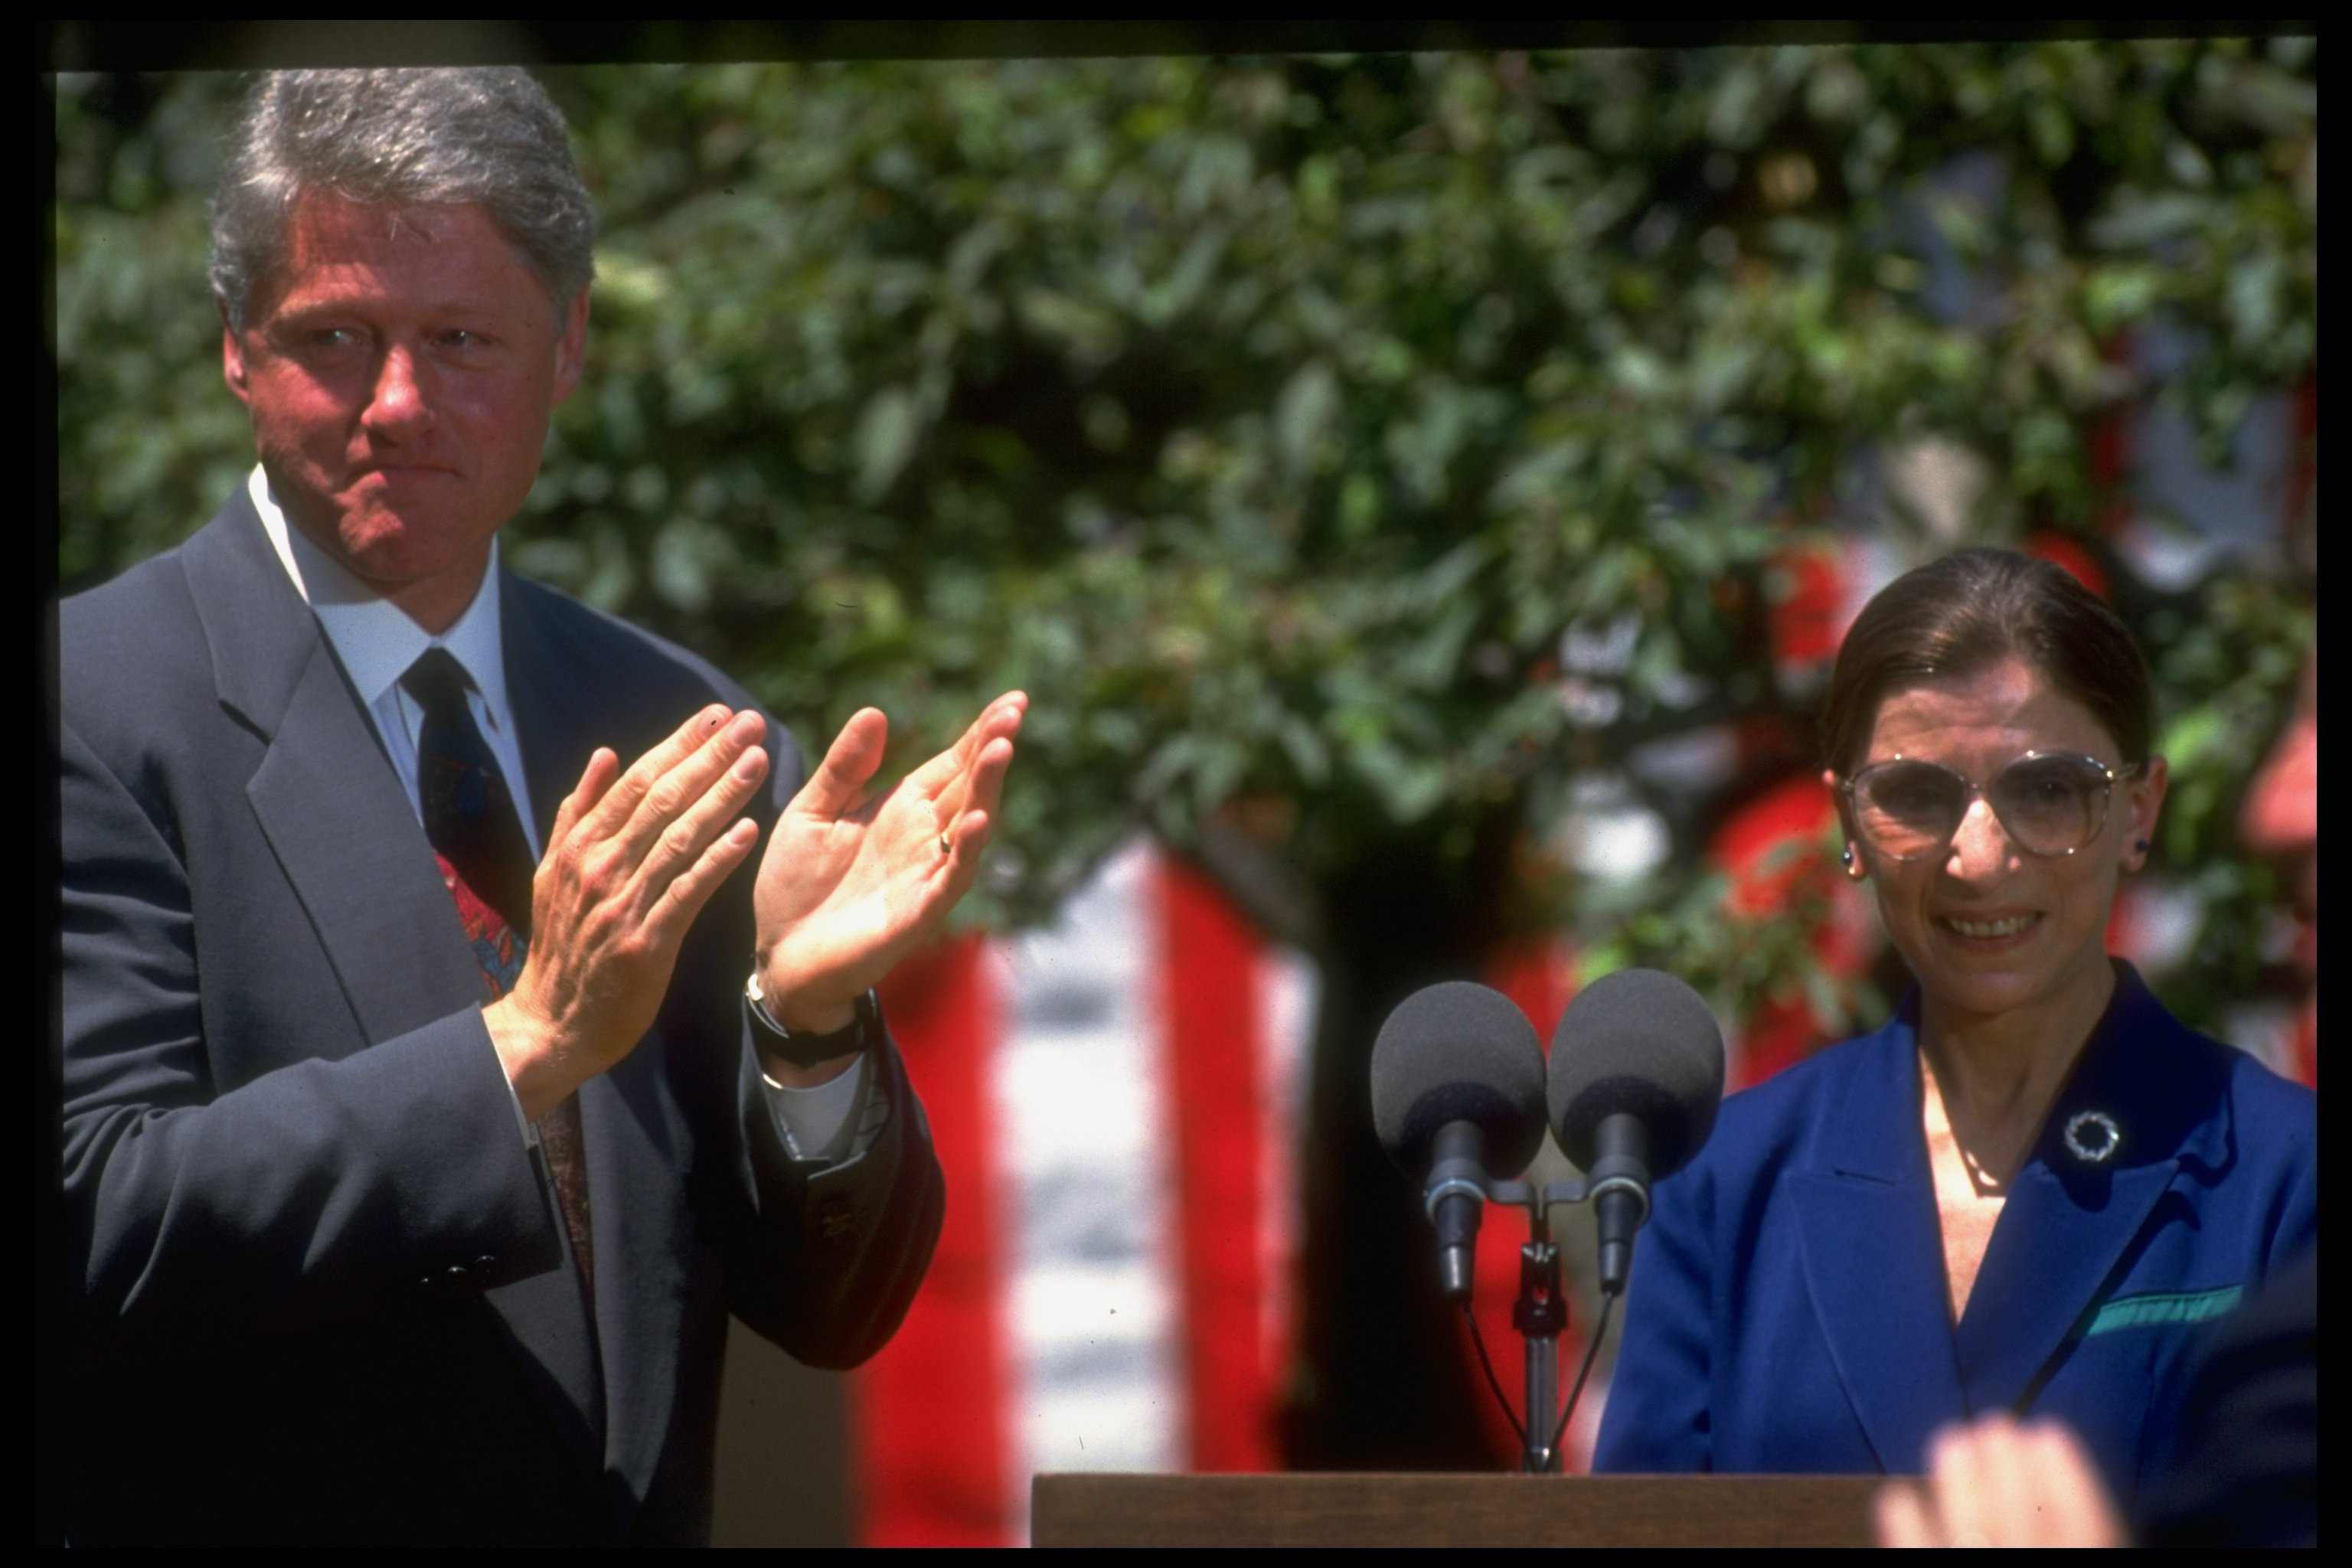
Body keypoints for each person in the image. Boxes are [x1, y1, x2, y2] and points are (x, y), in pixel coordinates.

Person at [58, 69, 1024, 1544]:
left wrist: (805, 1026)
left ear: (564, 344)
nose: (397, 402)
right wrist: (520, 1050)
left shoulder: (678, 727)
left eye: (459, 339)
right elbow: (93, 1219)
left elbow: (836, 1312)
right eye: (335, 338)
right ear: (237, 349)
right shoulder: (95, 701)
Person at [1589, 548, 2316, 1516]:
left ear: (2138, 809)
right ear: (1849, 820)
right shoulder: (1728, 1186)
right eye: (1917, 794)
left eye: (2048, 789)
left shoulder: (2285, 1175)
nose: (1978, 857)